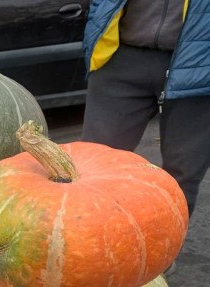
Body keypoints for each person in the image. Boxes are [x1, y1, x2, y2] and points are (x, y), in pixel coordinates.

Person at [81, 0, 210, 221]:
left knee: (181, 177)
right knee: (91, 166)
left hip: (199, 64)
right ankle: (91, 245)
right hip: (121, 56)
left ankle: (163, 249)